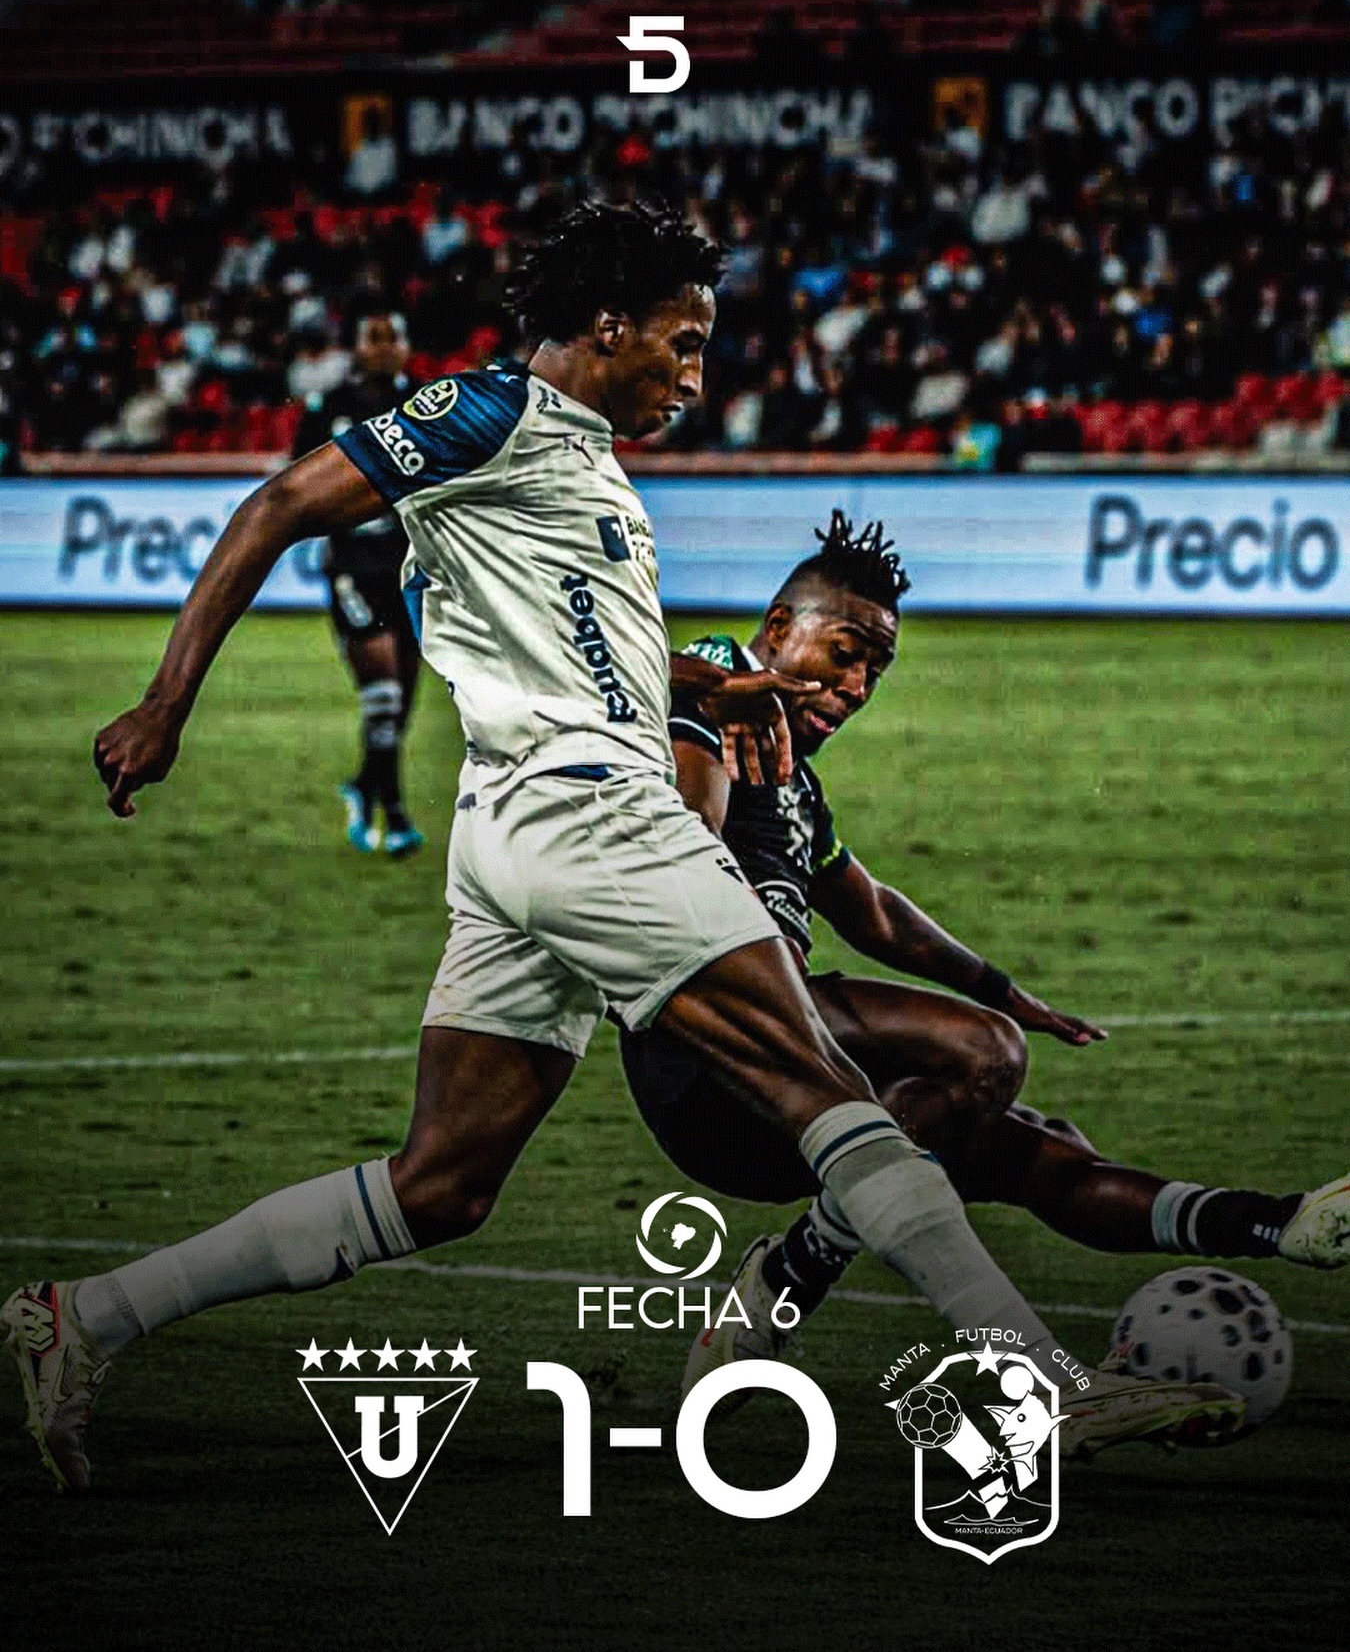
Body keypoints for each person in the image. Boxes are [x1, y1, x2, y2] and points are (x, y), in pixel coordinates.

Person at [5, 203, 1238, 1496]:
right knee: (825, 1085)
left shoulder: (585, 467)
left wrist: (707, 684)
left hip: (513, 829)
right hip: (586, 813)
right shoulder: (489, 412)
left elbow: (574, 652)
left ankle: (85, 1315)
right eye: (682, 341)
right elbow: (280, 502)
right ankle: (1038, 1386)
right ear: (606, 326)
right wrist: (166, 703)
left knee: (440, 1184)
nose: (696, 374)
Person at [612, 514, 1350, 1393]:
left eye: (875, 670)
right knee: (984, 1052)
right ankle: (798, 1267)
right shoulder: (715, 683)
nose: (855, 686)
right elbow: (682, 790)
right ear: (778, 627)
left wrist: (1005, 988)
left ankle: (1281, 1224)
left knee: (1032, 1144)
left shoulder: (795, 785)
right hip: (708, 1051)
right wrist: (714, 704)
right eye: (843, 653)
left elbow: (875, 913)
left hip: (784, 1075)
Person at [292, 310, 424, 855]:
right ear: (357, 347)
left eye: (393, 337)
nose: (384, 347)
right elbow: (297, 481)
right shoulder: (328, 409)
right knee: (384, 694)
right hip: (353, 568)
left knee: (401, 703)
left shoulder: (426, 403)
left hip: (413, 570)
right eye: (374, 337)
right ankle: (396, 816)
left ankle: (363, 786)